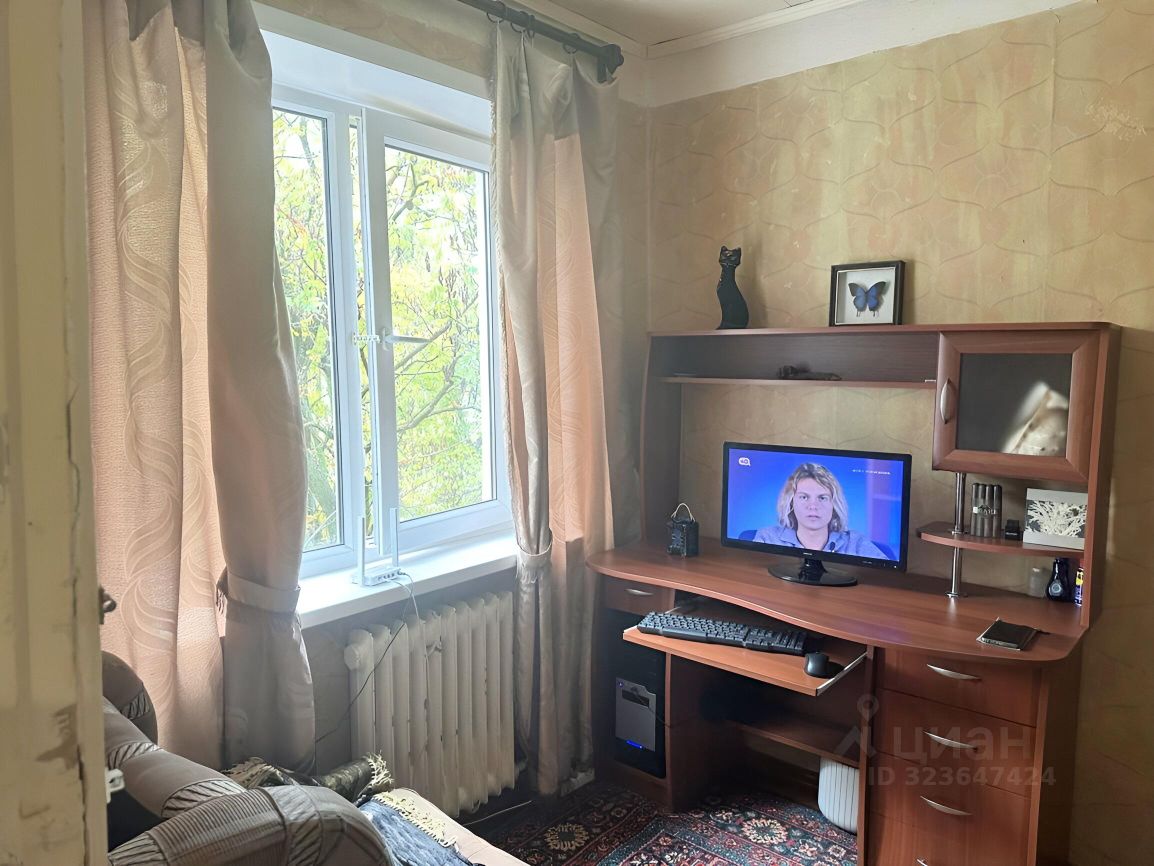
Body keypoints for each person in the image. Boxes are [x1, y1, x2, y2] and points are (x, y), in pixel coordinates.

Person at [753, 463, 887, 558]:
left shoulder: (855, 543)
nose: (813, 506)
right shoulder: (767, 538)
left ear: (834, 505)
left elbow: (886, 578)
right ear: (791, 502)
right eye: (804, 497)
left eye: (822, 498)